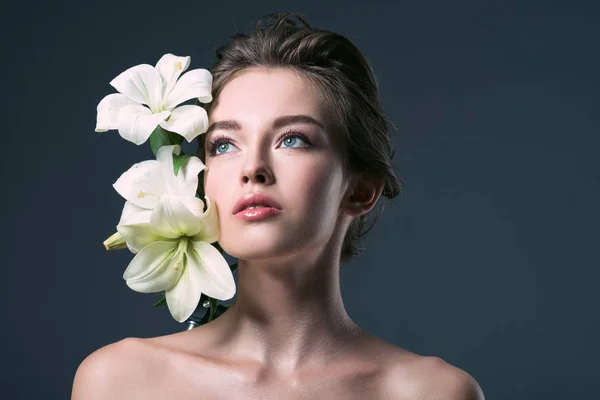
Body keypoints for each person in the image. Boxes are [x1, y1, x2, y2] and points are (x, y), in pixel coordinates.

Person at [72, 12, 484, 399]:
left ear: (360, 190)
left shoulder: (430, 392)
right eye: (224, 144)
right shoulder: (121, 381)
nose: (253, 169)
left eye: (293, 139)